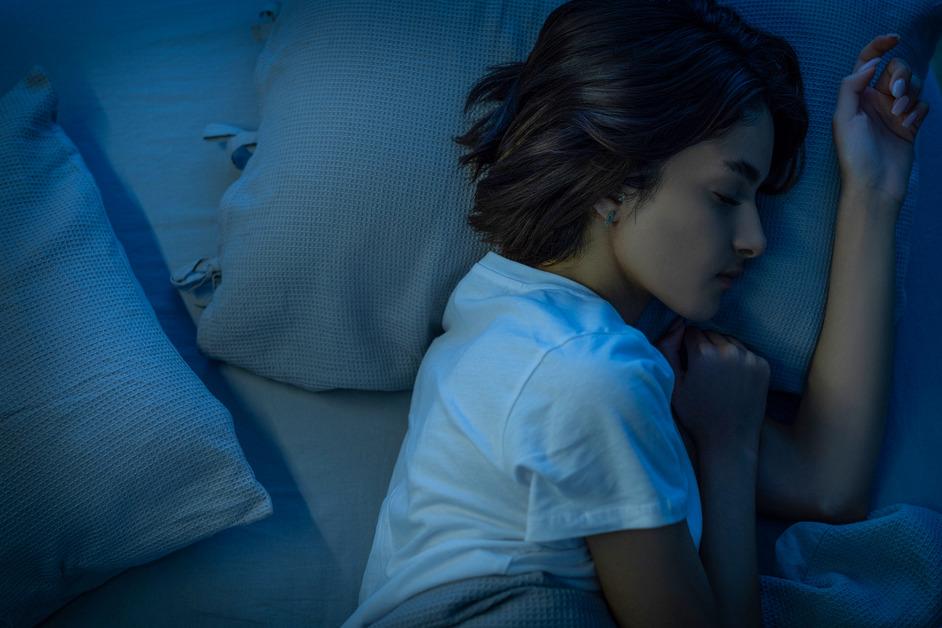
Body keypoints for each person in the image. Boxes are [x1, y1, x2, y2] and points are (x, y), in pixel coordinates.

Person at [344, 0, 929, 626]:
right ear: (614, 180)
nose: (756, 238)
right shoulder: (590, 375)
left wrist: (874, 188)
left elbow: (826, 485)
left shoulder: (503, 311)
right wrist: (727, 450)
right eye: (726, 195)